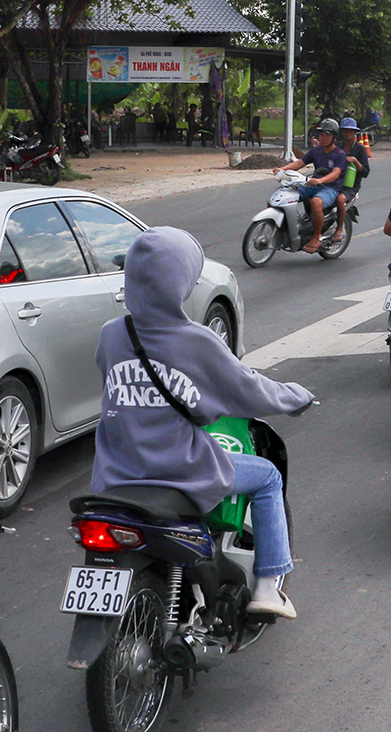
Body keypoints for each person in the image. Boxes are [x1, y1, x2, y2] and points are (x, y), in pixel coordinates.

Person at [92, 227, 316, 616]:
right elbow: (246, 388)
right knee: (267, 477)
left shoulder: (112, 334)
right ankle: (267, 589)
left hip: (115, 475)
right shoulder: (195, 341)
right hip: (178, 470)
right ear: (180, 282)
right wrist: (296, 396)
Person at [278, 120, 348, 253]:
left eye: (327, 135)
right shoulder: (316, 151)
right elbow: (300, 163)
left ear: (334, 137)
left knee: (316, 202)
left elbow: (335, 174)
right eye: (321, 134)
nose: (323, 137)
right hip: (314, 184)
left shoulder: (340, 154)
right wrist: (282, 169)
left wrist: (321, 180)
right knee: (286, 194)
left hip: (331, 188)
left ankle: (316, 237)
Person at [337, 117, 372, 207]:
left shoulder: (360, 149)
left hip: (350, 187)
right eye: (345, 131)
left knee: (340, 199)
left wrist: (355, 161)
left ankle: (340, 221)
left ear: (354, 132)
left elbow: (365, 172)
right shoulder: (337, 147)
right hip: (335, 183)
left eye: (350, 131)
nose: (348, 133)